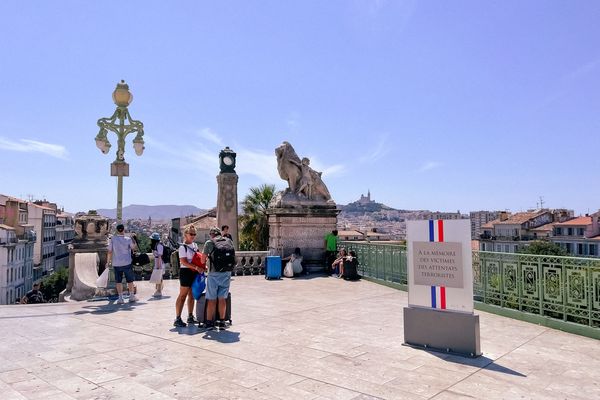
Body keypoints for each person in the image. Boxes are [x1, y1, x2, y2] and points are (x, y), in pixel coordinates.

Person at [203, 227, 234, 330]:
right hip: (226, 273)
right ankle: (221, 322)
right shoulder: (228, 240)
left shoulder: (209, 242)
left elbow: (203, 259)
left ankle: (209, 323)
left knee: (211, 299)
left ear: (211, 234)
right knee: (222, 298)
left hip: (214, 274)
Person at [174, 225, 205, 327]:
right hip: (186, 272)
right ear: (185, 234)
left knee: (192, 295)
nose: (193, 236)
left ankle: (190, 316)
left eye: (194, 234)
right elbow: (183, 261)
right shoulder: (182, 247)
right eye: (191, 234)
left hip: (194, 272)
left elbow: (197, 258)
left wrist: (202, 266)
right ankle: (177, 318)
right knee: (182, 295)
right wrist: (197, 267)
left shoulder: (195, 245)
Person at [106, 224, 138, 304]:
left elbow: (109, 251)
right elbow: (134, 248)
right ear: (123, 230)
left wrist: (108, 261)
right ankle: (131, 296)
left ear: (117, 230)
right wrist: (133, 239)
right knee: (130, 280)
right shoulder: (128, 239)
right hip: (127, 262)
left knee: (118, 281)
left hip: (116, 263)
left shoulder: (112, 239)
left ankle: (120, 298)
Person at [150, 232, 164, 297]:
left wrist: (158, 266)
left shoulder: (159, 245)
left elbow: (159, 256)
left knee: (159, 277)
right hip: (158, 262)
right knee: (159, 277)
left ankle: (159, 291)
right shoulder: (157, 245)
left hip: (159, 263)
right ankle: (158, 290)